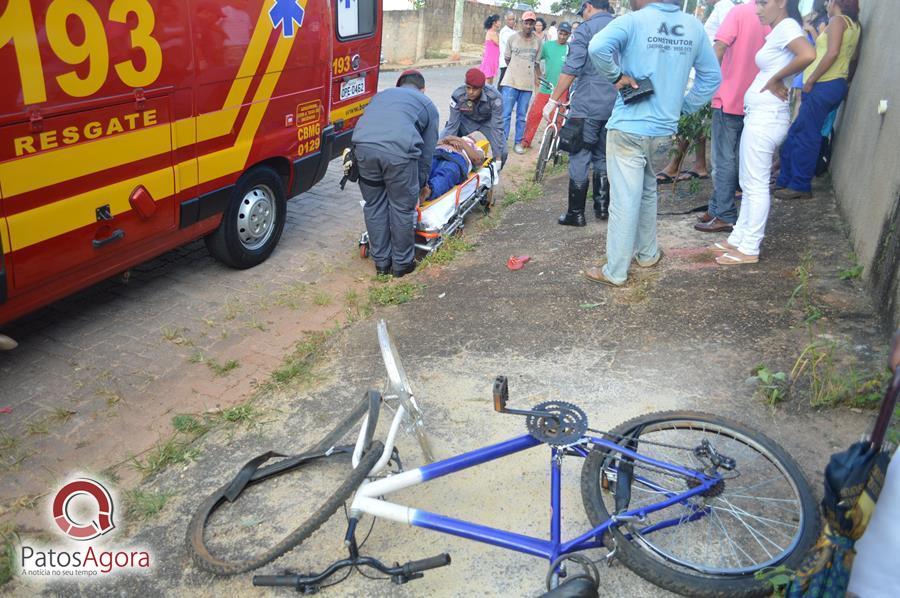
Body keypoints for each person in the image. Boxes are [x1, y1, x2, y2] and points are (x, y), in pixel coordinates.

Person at [584, 0, 721, 286]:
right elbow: (712, 77)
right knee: (647, 190)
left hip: (628, 130)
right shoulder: (694, 27)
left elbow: (597, 47)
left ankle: (616, 271)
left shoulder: (633, 21)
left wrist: (616, 76)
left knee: (623, 201)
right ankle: (647, 254)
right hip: (663, 132)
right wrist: (683, 106)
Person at [715, 0, 815, 266]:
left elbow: (808, 54)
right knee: (750, 182)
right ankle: (739, 238)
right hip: (761, 115)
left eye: (763, 2)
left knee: (755, 184)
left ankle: (750, 246)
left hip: (767, 117)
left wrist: (775, 79)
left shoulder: (787, 27)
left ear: (781, 3)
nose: (758, 9)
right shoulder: (780, 29)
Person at [352, 70, 439, 277]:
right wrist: (418, 186)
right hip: (398, 154)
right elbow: (427, 154)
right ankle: (402, 265)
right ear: (423, 89)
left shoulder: (381, 96)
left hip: (363, 150)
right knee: (401, 208)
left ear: (398, 86)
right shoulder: (427, 105)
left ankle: (381, 264)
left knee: (374, 205)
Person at [694, 0, 769, 234]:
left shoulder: (739, 12)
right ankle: (717, 208)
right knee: (737, 159)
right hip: (757, 98)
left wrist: (706, 84)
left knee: (723, 160)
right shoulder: (775, 18)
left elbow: (718, 48)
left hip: (730, 96)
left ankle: (724, 213)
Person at [774, 0, 860, 200]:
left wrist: (811, 79)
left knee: (805, 135)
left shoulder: (838, 21)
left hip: (823, 84)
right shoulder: (854, 25)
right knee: (797, 132)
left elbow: (832, 52)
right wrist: (846, 82)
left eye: (829, 1)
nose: (827, 4)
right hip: (834, 84)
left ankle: (800, 184)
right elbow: (853, 58)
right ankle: (785, 180)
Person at [545, 1, 617, 224]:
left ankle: (575, 214)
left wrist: (553, 100)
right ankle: (602, 209)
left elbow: (572, 68)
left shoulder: (585, 30)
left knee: (579, 155)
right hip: (614, 106)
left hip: (586, 105)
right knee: (603, 156)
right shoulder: (622, 27)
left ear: (588, 6)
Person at [521, 22, 571, 150]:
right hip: (546, 87)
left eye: (565, 34)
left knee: (557, 118)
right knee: (535, 114)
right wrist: (538, 75)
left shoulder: (570, 50)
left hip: (562, 90)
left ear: (569, 35)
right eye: (561, 33)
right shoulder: (548, 46)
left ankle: (550, 145)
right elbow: (536, 60)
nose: (562, 36)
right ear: (557, 32)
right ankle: (526, 141)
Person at [442, 68, 506, 165]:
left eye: (475, 89)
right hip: (466, 121)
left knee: (503, 152)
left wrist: (498, 158)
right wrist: (443, 145)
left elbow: (497, 127)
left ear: (482, 88)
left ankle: (494, 173)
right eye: (468, 88)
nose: (471, 92)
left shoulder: (494, 97)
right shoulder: (458, 95)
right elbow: (452, 125)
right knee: (442, 140)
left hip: (487, 122)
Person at [501, 11, 542, 155]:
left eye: (531, 23)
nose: (529, 25)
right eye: (526, 22)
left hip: (527, 85)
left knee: (521, 116)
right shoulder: (512, 38)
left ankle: (518, 142)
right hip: (510, 82)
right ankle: (502, 141)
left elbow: (536, 63)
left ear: (534, 25)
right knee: (505, 114)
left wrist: (538, 79)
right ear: (521, 23)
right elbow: (507, 59)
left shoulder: (538, 41)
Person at [426, 133, 487, 200]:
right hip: (437, 152)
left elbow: (477, 160)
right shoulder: (451, 139)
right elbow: (432, 144)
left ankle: (428, 191)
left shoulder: (474, 147)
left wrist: (461, 142)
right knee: (425, 168)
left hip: (456, 158)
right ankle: (416, 187)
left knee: (448, 173)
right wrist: (447, 140)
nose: (470, 135)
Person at [480, 15, 502, 84]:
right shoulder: (492, 33)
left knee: (491, 78)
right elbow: (499, 44)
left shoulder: (494, 33)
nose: (500, 22)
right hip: (490, 59)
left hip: (493, 58)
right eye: (499, 21)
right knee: (488, 79)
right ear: (494, 23)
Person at [497, 12, 517, 87]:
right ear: (506, 20)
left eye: (513, 19)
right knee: (503, 83)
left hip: (512, 62)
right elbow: (513, 45)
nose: (511, 21)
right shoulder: (505, 32)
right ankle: (498, 98)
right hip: (505, 62)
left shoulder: (513, 31)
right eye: (509, 19)